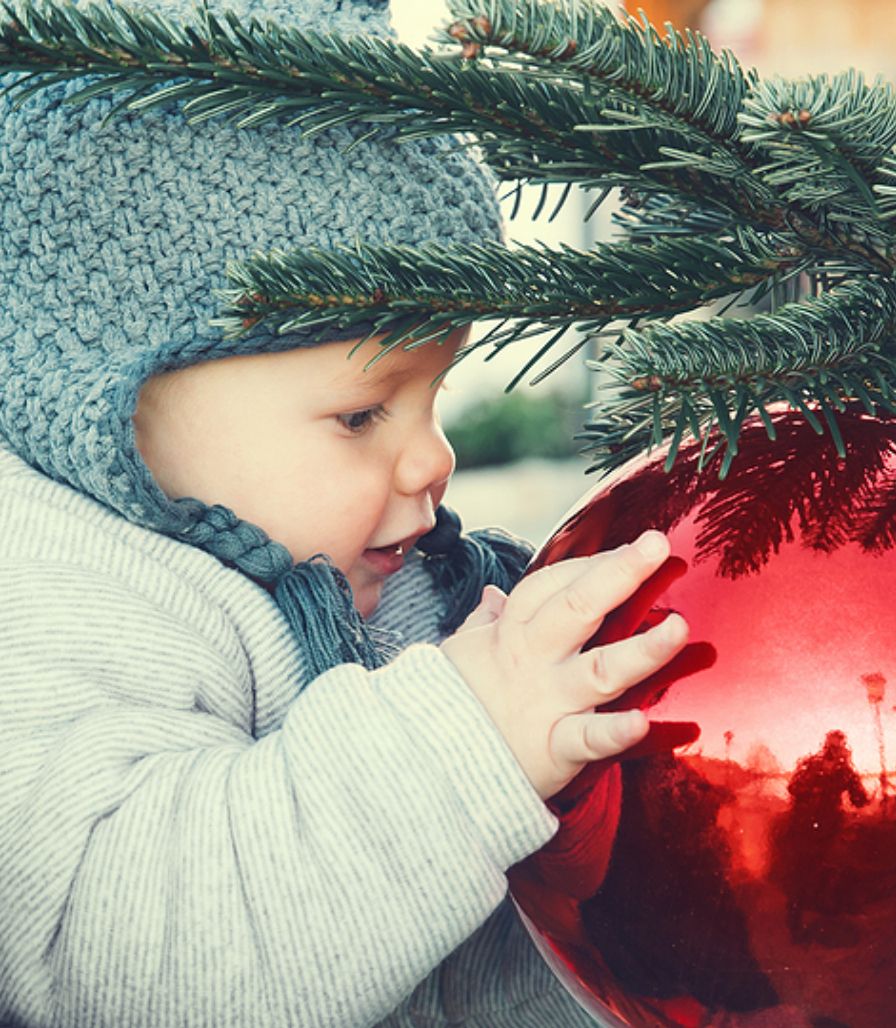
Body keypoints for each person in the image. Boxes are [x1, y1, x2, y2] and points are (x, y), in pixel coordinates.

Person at [0, 1, 688, 1025]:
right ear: (114, 400)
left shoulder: (416, 580)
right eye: (362, 412)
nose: (432, 457)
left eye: (434, 393)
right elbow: (106, 958)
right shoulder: (59, 598)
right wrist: (466, 745)